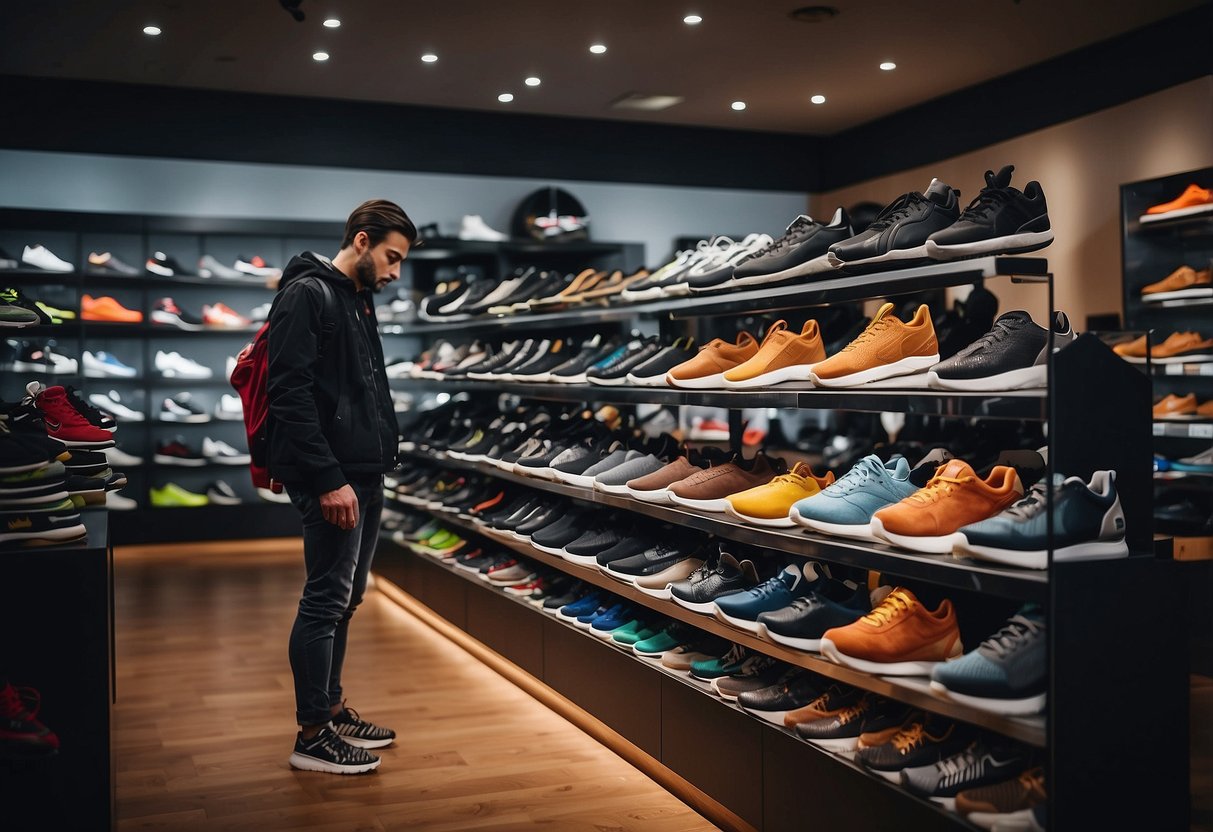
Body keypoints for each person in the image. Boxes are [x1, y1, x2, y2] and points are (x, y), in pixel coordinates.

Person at [266, 198, 417, 774]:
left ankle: (331, 706)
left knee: (347, 599)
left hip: (364, 471)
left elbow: (364, 389)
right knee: (325, 599)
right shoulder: (309, 294)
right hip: (333, 477)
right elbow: (290, 392)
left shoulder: (356, 299)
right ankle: (311, 734)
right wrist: (329, 479)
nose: (394, 272)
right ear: (361, 241)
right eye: (391, 257)